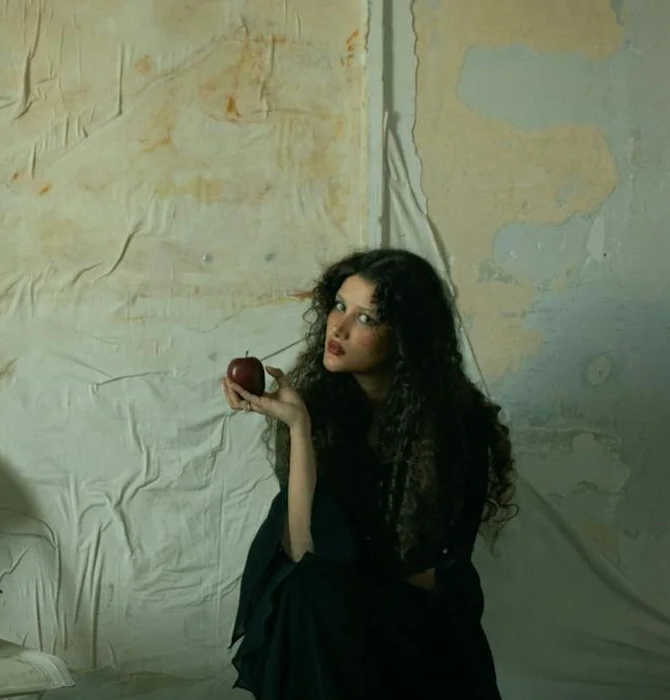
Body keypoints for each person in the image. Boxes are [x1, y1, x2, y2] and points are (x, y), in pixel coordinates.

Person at [221, 247, 518, 699]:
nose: (337, 327)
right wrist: (300, 428)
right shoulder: (321, 411)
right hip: (336, 604)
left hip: (417, 616)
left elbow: (425, 570)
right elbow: (303, 553)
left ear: (405, 336)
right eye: (339, 306)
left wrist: (345, 581)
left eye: (366, 318)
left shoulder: (456, 425)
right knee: (305, 592)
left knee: (319, 600)